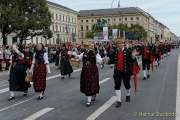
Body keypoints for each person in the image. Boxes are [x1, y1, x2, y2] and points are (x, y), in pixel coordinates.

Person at [110, 39, 139, 108]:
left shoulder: (128, 51)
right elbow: (112, 60)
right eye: (118, 43)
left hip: (126, 71)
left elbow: (132, 60)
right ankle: (118, 101)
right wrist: (105, 61)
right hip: (117, 71)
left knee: (127, 85)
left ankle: (128, 94)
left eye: (121, 43)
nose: (119, 45)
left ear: (123, 44)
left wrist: (133, 56)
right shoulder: (115, 51)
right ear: (117, 45)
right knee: (117, 85)